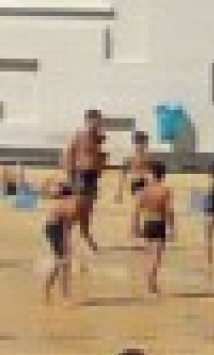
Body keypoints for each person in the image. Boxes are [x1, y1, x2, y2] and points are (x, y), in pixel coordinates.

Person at [62, 108, 105, 252]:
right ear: (89, 120)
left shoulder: (97, 138)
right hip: (81, 174)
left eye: (100, 120)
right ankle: (64, 235)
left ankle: (86, 236)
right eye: (97, 120)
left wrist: (100, 169)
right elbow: (68, 153)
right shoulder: (80, 135)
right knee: (77, 208)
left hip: (92, 176)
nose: (99, 122)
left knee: (88, 210)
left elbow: (98, 157)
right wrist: (70, 176)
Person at [133, 160, 174, 296]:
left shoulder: (144, 190)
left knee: (148, 256)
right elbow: (169, 211)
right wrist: (171, 228)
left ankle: (151, 286)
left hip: (147, 223)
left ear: (152, 174)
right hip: (159, 223)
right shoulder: (165, 190)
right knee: (156, 258)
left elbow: (137, 210)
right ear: (163, 175)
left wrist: (135, 226)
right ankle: (151, 285)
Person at [41, 179, 77, 305]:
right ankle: (64, 297)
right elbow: (66, 226)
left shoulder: (65, 203)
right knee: (64, 264)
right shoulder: (69, 205)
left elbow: (67, 225)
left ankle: (47, 291)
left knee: (60, 264)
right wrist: (67, 243)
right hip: (56, 230)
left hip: (52, 229)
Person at [115, 130, 151, 206]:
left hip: (146, 184)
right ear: (134, 144)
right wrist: (119, 192)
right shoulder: (129, 158)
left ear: (146, 144)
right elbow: (122, 175)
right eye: (138, 143)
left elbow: (155, 175)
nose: (140, 146)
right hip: (136, 183)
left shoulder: (149, 158)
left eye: (143, 143)